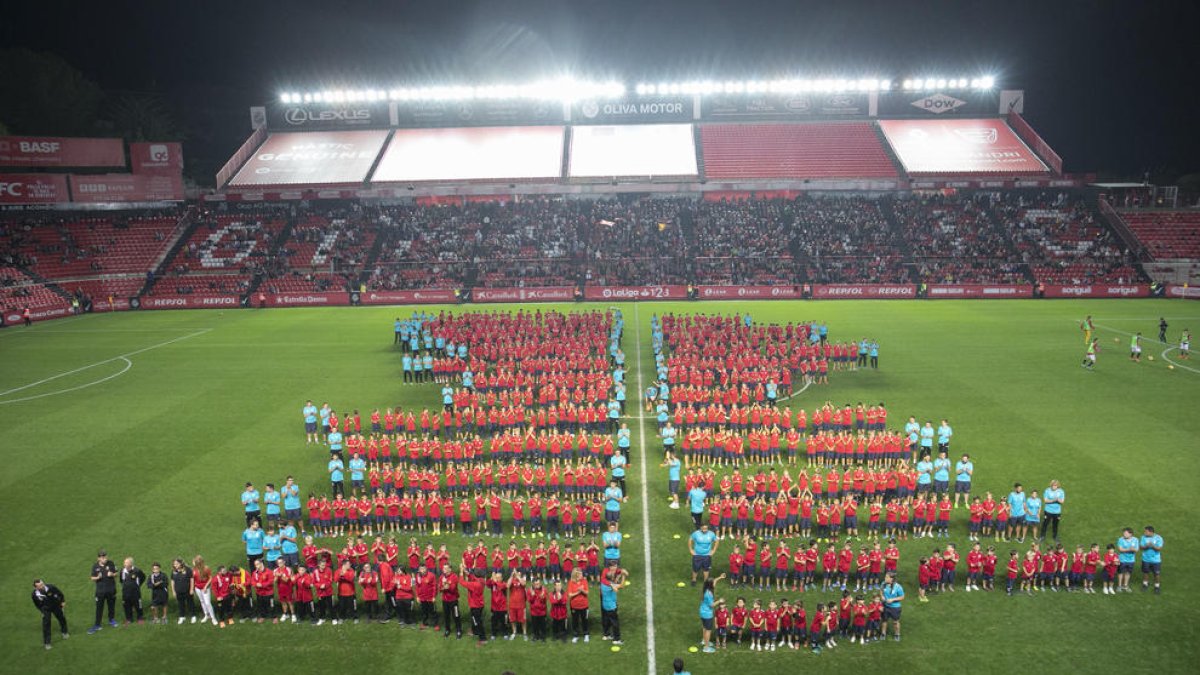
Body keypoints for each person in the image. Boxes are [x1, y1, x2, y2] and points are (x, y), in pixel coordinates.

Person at [32, 579, 68, 650]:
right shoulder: (34, 594)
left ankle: (64, 632)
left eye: (42, 584)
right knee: (46, 624)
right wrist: (42, 610)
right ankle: (47, 643)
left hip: (56, 606)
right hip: (46, 609)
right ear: (36, 587)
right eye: (40, 585)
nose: (42, 586)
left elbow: (60, 593)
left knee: (61, 618)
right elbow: (37, 604)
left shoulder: (51, 587)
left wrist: (63, 601)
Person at [89, 549, 118, 634]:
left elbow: (116, 573)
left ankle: (111, 620)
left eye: (105, 556)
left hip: (111, 590)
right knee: (99, 608)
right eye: (102, 557)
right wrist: (97, 577)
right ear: (98, 558)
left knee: (111, 606)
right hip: (100, 592)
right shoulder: (95, 566)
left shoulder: (111, 563)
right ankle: (97, 624)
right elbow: (92, 578)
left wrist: (112, 574)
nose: (104, 558)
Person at [698, 573, 726, 653]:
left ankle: (704, 641)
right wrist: (719, 601)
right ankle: (706, 648)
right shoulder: (709, 594)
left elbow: (714, 581)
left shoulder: (705, 589)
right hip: (707, 614)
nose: (714, 583)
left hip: (702, 611)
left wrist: (720, 577)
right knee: (708, 630)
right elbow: (711, 605)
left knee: (704, 627)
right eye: (713, 583)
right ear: (711, 585)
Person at [600, 560, 625, 645]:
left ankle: (606, 635)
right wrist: (623, 576)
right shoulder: (611, 585)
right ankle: (616, 639)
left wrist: (617, 577)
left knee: (607, 620)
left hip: (605, 605)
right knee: (615, 623)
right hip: (611, 606)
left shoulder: (604, 584)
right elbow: (621, 586)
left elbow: (614, 582)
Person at [119, 557, 146, 624]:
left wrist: (137, 585)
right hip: (125, 592)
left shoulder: (137, 571)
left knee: (138, 605)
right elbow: (121, 580)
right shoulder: (122, 571)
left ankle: (140, 618)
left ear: (131, 564)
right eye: (124, 562)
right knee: (127, 605)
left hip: (135, 592)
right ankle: (129, 619)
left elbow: (143, 577)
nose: (124, 564)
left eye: (126, 562)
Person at [567, 568, 590, 643]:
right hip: (574, 606)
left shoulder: (584, 581)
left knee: (585, 620)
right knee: (575, 621)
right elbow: (570, 595)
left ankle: (586, 634)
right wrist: (578, 591)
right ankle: (575, 635)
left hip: (584, 605)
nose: (582, 575)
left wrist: (582, 590)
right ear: (576, 575)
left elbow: (587, 592)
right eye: (580, 574)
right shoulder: (571, 582)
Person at [170, 558, 196, 624]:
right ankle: (182, 616)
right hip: (178, 591)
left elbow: (191, 579)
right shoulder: (174, 571)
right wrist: (173, 591)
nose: (175, 565)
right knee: (180, 604)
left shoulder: (188, 570)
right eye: (174, 564)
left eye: (177, 564)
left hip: (187, 590)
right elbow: (172, 581)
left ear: (181, 563)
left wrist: (191, 589)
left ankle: (193, 616)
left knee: (190, 603)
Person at [881, 571, 904, 642]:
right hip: (885, 606)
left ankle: (897, 634)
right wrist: (882, 596)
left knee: (895, 622)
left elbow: (902, 597)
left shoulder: (898, 587)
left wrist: (893, 599)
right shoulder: (883, 584)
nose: (885, 578)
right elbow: (881, 591)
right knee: (884, 621)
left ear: (891, 579)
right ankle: (883, 633)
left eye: (886, 577)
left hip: (895, 608)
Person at [1139, 526, 1163, 594]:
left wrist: (1152, 546)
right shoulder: (1143, 537)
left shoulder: (1158, 538)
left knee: (1156, 573)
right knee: (1145, 572)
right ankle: (1145, 584)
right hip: (1145, 559)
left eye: (1146, 531)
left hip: (1156, 560)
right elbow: (1141, 548)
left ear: (1151, 532)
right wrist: (1146, 546)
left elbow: (1159, 548)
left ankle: (1157, 586)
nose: (1144, 533)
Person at [1116, 528, 1139, 592]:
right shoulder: (1120, 539)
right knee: (1120, 573)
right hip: (1122, 559)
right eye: (1123, 533)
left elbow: (1136, 550)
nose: (1124, 534)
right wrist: (1129, 549)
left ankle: (1125, 585)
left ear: (1130, 534)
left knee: (1128, 573)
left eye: (1125, 533)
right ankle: (1119, 586)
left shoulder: (1135, 540)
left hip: (1131, 560)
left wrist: (1133, 549)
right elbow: (1120, 549)